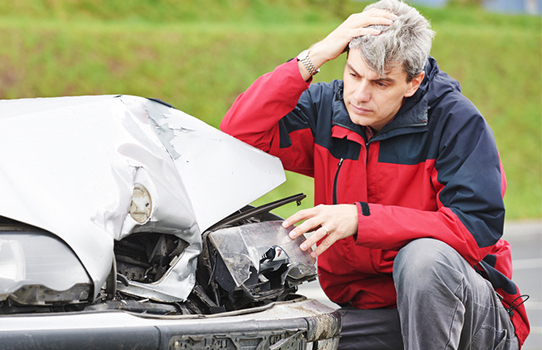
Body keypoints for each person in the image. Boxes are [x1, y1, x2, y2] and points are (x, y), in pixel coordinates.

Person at [220, 0, 530, 349]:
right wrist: (314, 56)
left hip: (470, 320)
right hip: (374, 317)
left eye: (381, 84)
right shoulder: (326, 108)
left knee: (424, 258)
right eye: (353, 75)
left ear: (413, 82)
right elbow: (239, 134)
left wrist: (360, 219)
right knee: (286, 341)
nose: (360, 95)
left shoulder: (456, 122)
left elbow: (475, 230)